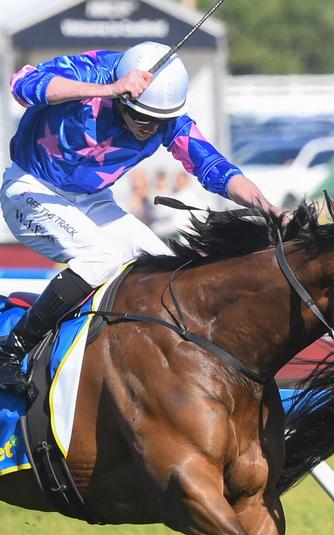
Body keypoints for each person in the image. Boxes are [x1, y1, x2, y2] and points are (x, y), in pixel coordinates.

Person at [0, 41, 284, 392]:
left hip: (91, 199)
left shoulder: (166, 121)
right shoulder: (96, 73)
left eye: (159, 122)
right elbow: (23, 84)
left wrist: (267, 207)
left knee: (167, 270)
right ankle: (10, 351)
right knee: (101, 258)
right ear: (123, 100)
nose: (150, 129)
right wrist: (110, 89)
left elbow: (214, 167)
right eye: (142, 118)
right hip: (31, 187)